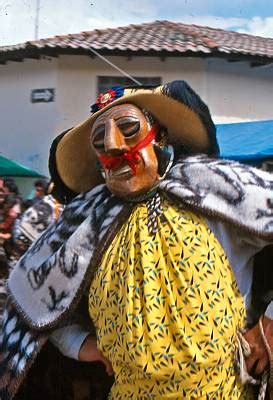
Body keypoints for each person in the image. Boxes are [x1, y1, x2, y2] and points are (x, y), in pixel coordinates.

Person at [1, 80, 273, 400]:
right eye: (100, 140)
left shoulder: (217, 192)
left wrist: (269, 321)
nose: (114, 145)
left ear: (159, 134)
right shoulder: (86, 225)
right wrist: (81, 345)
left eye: (128, 127)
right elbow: (37, 298)